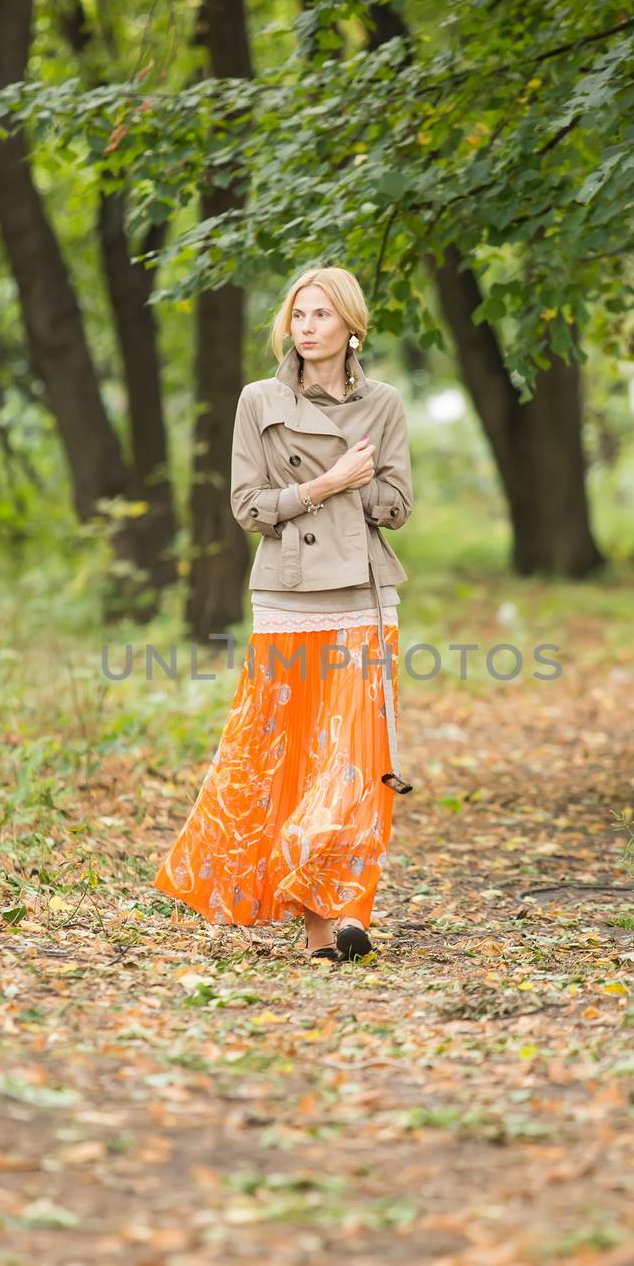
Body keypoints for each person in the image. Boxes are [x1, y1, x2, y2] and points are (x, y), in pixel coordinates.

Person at [151, 265, 413, 963]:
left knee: (358, 758)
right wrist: (327, 483)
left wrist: (361, 490)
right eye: (298, 315)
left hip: (362, 594)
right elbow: (248, 508)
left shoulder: (383, 403)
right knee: (290, 760)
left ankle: (348, 908)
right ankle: (319, 931)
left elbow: (397, 506)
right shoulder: (257, 400)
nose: (307, 327)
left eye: (322, 315)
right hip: (288, 596)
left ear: (350, 327)